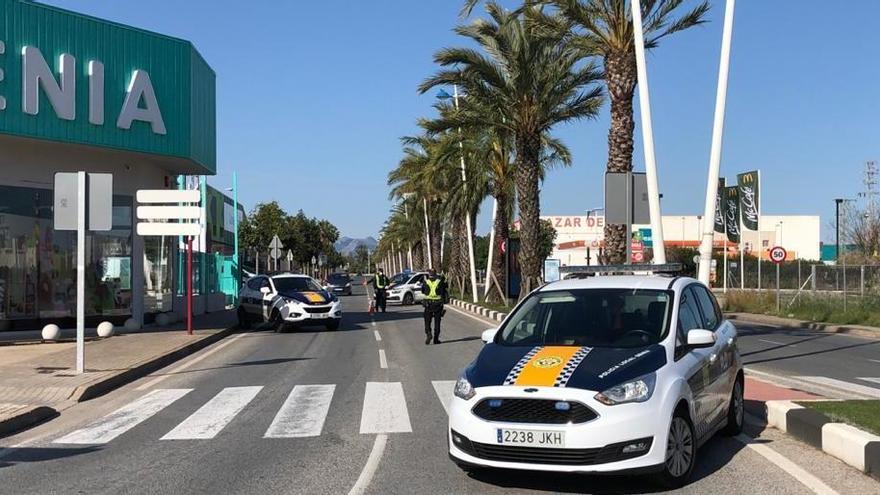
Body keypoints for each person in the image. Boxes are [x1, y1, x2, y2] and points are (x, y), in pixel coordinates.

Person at [420, 269, 448, 345]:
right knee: (437, 322)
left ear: (429, 274)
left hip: (428, 304)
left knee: (427, 321)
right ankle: (436, 339)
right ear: (435, 274)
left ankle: (428, 333)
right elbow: (444, 289)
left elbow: (422, 291)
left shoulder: (426, 282)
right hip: (438, 304)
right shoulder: (440, 281)